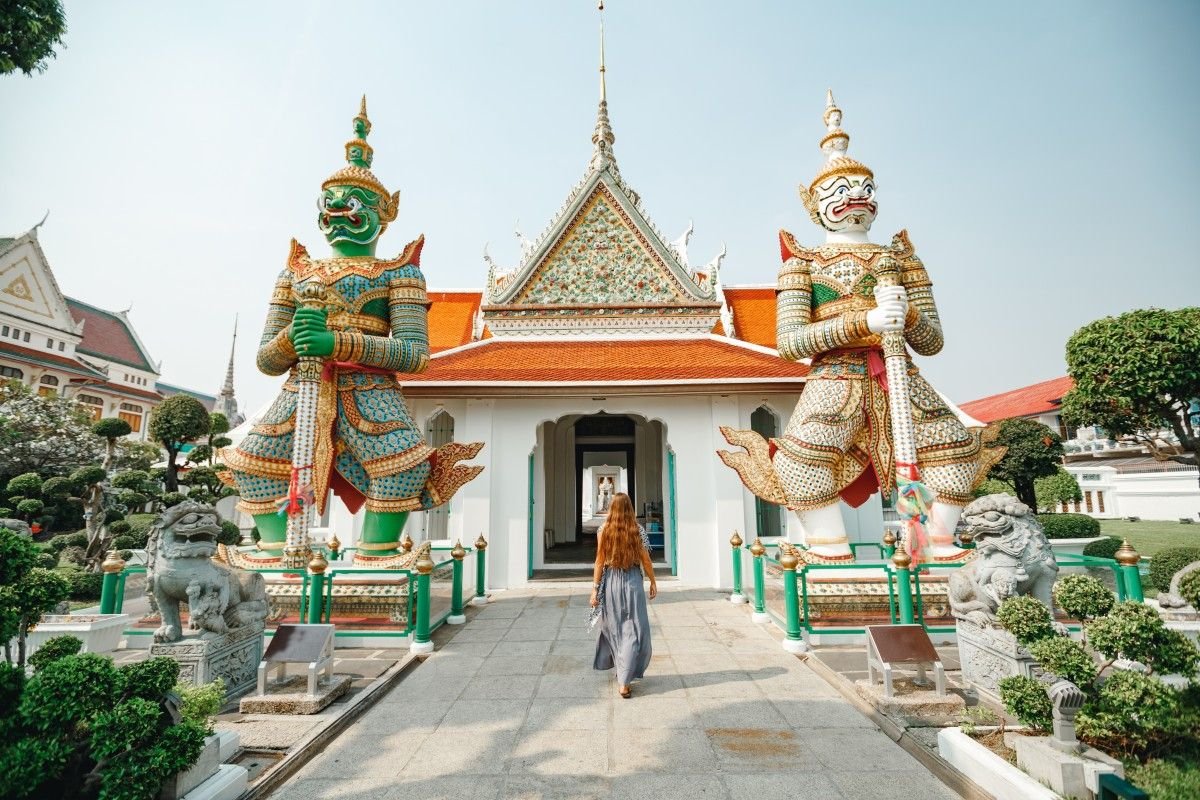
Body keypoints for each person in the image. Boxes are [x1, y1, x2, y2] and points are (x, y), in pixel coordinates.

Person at [590, 492, 656, 698]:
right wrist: (653, 580)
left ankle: (623, 673)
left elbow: (599, 562)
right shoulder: (637, 530)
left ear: (612, 508)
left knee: (616, 628)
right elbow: (645, 560)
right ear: (630, 508)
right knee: (634, 629)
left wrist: (594, 589)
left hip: (611, 582)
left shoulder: (603, 530)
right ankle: (624, 681)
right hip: (633, 580)